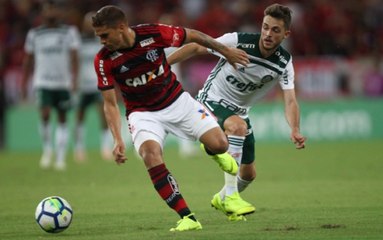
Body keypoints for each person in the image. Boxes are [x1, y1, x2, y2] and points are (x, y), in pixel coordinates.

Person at [91, 5, 249, 232]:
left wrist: (226, 51)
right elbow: (109, 103)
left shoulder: (153, 34)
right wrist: (117, 139)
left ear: (121, 27)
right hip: (143, 114)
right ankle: (188, 217)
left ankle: (212, 151)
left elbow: (194, 35)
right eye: (98, 36)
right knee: (150, 155)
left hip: (177, 102)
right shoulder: (104, 60)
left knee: (220, 144)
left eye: (104, 35)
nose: (102, 41)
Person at [168, 3, 306, 221]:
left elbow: (290, 99)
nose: (268, 34)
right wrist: (162, 66)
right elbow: (196, 47)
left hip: (240, 111)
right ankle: (231, 196)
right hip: (211, 99)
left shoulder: (283, 62)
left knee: (249, 174)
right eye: (265, 27)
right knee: (237, 127)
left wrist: (295, 129)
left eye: (275, 30)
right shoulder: (237, 41)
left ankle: (222, 197)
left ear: (286, 34)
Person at [21, 0, 80, 171]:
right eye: (48, 10)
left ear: (59, 12)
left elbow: (74, 57)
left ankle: (60, 157)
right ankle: (47, 149)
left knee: (62, 118)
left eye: (54, 9)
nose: (52, 13)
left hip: (63, 82)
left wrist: (74, 79)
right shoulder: (35, 34)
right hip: (43, 81)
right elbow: (28, 60)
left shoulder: (69, 32)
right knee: (45, 114)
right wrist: (23, 83)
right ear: (43, 13)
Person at [74, 12, 113, 162]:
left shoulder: (101, 41)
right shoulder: (77, 41)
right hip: (82, 85)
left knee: (103, 115)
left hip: (98, 84)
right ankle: (79, 149)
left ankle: (105, 148)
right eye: (87, 24)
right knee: (80, 117)